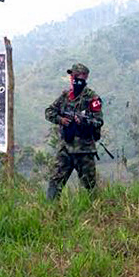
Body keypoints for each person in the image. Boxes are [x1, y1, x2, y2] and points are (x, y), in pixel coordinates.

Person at [44, 63, 104, 199]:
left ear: (85, 77)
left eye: (77, 76)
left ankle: (97, 213)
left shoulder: (92, 98)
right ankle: (49, 212)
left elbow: (99, 121)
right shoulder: (65, 96)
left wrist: (83, 121)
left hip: (84, 150)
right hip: (65, 147)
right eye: (72, 76)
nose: (73, 78)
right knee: (55, 181)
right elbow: (49, 112)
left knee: (90, 186)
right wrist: (61, 120)